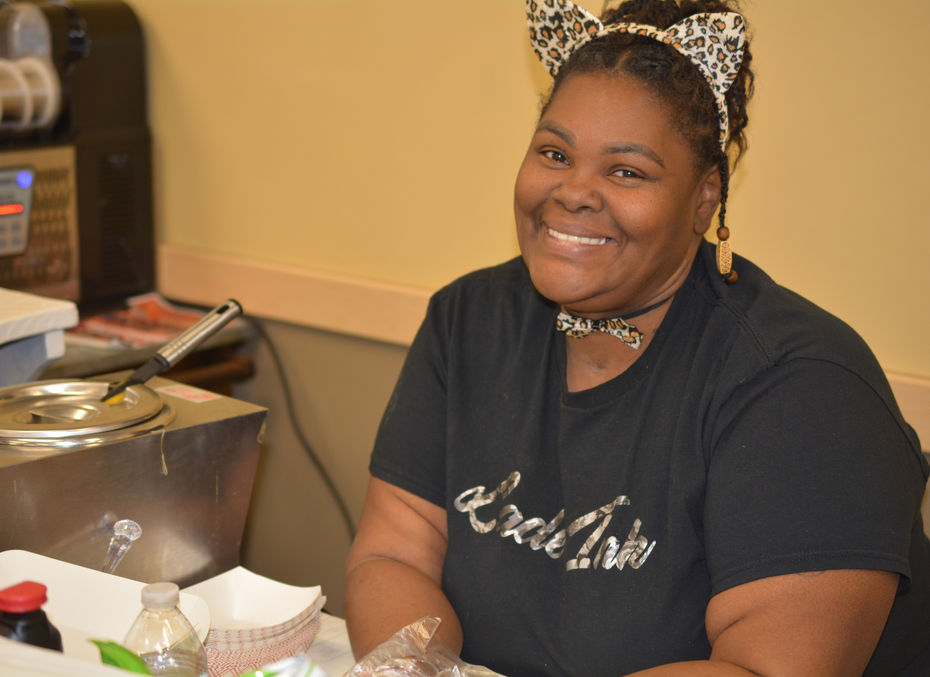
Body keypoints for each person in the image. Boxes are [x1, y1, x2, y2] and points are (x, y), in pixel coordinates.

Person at [344, 0, 930, 674]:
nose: (574, 191)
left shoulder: (805, 388)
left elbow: (758, 670)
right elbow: (394, 554)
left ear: (704, 199)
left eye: (626, 171)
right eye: (555, 153)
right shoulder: (468, 320)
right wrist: (421, 669)